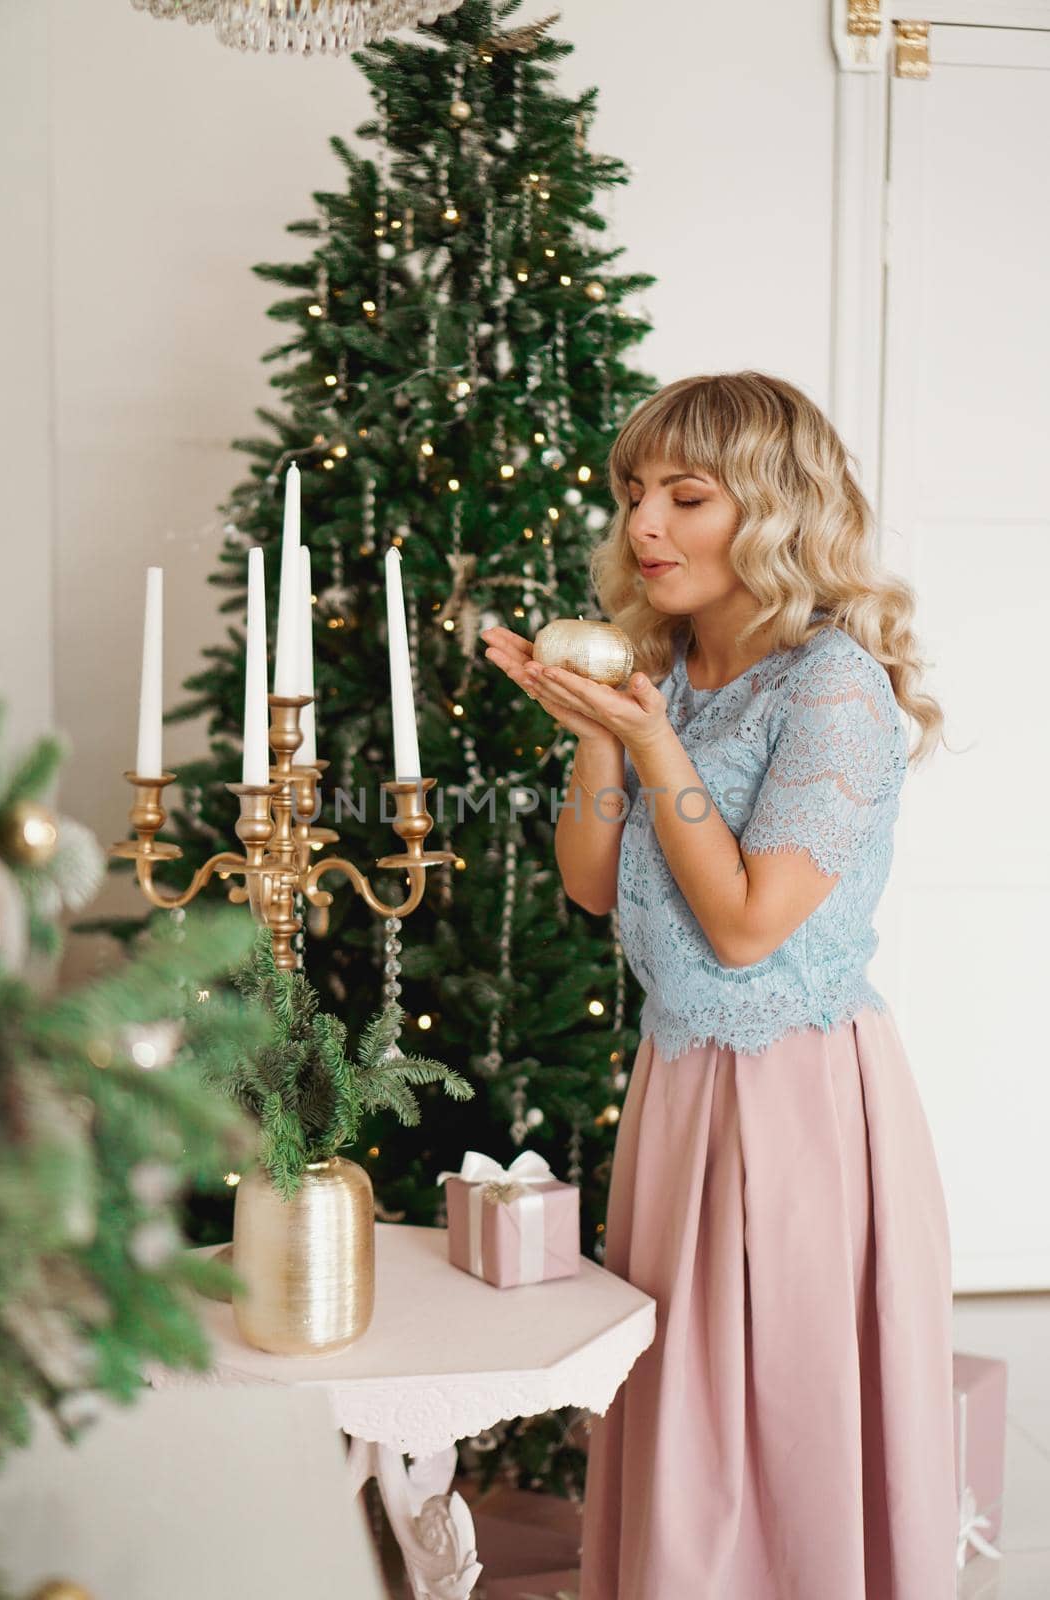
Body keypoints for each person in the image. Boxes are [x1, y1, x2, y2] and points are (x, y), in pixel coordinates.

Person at [480, 371, 960, 1600]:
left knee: (780, 1402)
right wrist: (596, 727)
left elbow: (745, 927)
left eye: (684, 498)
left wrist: (650, 745)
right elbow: (590, 884)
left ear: (774, 513)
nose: (642, 525)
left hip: (798, 1097)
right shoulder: (668, 667)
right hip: (680, 1083)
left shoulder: (832, 687)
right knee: (685, 1383)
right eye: (632, 493)